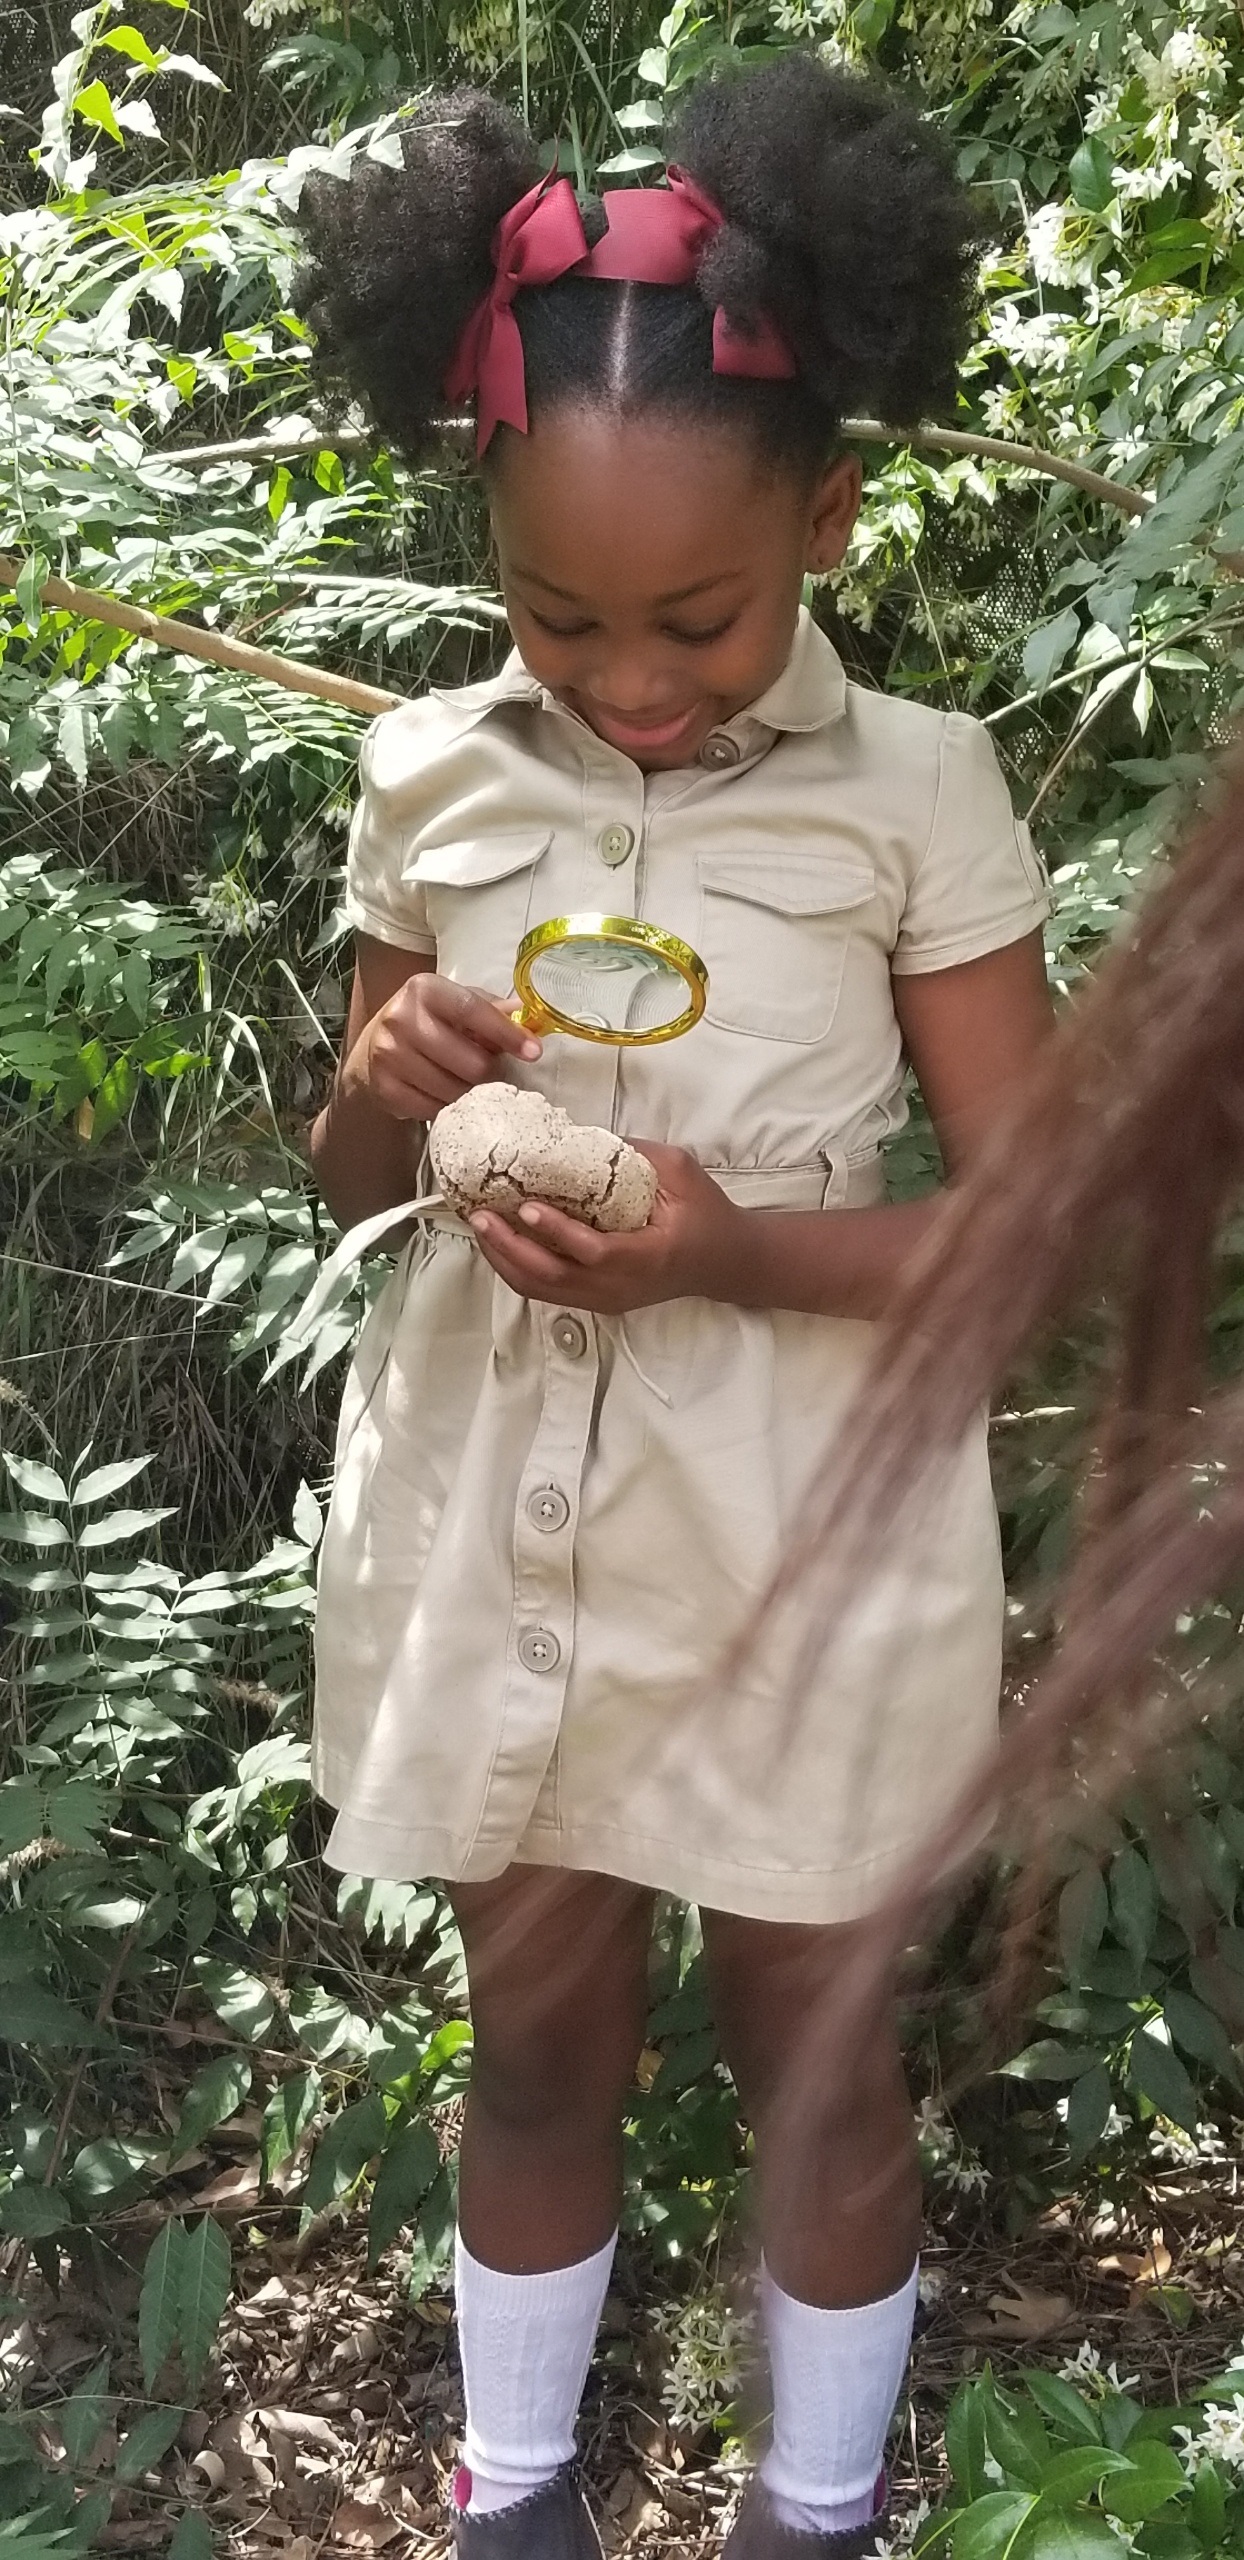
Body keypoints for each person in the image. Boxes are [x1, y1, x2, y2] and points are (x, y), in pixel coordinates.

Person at [296, 54, 1053, 2560]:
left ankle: (810, 2505)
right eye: (559, 613)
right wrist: (389, 1078)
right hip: (505, 1518)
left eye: (699, 617)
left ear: (827, 517)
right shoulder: (431, 775)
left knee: (814, 2056)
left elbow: (1027, 1246)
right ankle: (515, 2484)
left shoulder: (919, 795)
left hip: (801, 1534)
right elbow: (341, 1172)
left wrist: (728, 1244)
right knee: (534, 2030)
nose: (628, 677)